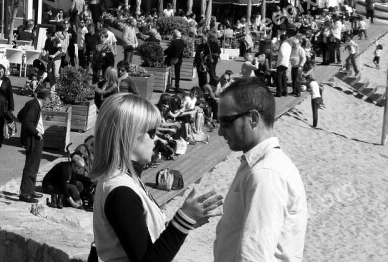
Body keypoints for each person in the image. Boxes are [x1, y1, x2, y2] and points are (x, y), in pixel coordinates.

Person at [91, 94, 222, 261]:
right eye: (151, 133)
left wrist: (189, 221)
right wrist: (184, 218)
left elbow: (144, 237)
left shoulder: (124, 180)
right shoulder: (121, 192)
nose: (157, 140)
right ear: (128, 137)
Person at [214, 78, 308, 261]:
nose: (219, 131)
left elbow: (254, 255)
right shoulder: (263, 165)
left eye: (226, 122)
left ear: (253, 118)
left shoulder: (265, 174)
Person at [17, 89, 49, 203]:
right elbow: (27, 122)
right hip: (34, 140)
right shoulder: (34, 105)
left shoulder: (32, 103)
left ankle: (30, 189)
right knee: (31, 166)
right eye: (49, 99)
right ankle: (25, 193)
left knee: (34, 166)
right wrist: (36, 133)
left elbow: (20, 116)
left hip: (35, 139)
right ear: (45, 98)